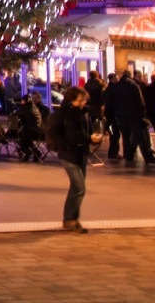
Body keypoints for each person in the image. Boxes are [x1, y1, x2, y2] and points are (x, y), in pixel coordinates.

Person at [47, 85, 102, 234]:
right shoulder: (61, 114)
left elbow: (88, 131)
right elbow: (54, 133)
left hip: (81, 153)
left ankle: (69, 219)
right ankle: (71, 219)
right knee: (79, 187)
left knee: (76, 187)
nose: (83, 103)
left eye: (84, 100)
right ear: (71, 99)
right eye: (80, 100)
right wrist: (66, 144)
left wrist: (93, 138)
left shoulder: (84, 113)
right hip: (68, 154)